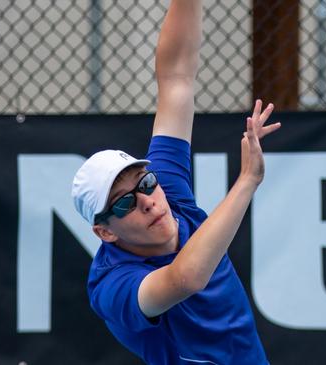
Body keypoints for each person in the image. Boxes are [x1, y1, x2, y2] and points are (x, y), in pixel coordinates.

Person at [70, 0, 281, 364]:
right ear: (105, 232)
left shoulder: (166, 189)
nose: (148, 200)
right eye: (124, 203)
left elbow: (176, 77)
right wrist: (246, 181)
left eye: (146, 183)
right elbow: (185, 279)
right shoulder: (113, 285)